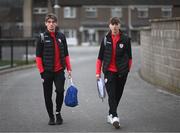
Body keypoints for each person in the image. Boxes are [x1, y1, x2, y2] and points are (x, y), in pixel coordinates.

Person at [96, 17, 132, 129]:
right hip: (109, 72)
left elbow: (129, 58)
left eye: (117, 24)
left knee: (118, 95)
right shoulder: (106, 39)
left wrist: (127, 71)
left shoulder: (126, 39)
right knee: (111, 95)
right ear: (109, 26)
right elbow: (100, 57)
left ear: (119, 25)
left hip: (122, 73)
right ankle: (115, 117)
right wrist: (98, 72)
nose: (115, 26)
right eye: (113, 24)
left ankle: (110, 114)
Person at [36, 13, 72, 125]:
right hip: (46, 72)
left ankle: (58, 112)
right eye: (49, 22)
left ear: (56, 23)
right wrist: (42, 73)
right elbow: (38, 57)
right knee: (47, 95)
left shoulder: (61, 36)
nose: (51, 24)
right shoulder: (42, 38)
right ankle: (51, 117)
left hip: (59, 71)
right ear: (46, 24)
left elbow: (66, 54)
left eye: (53, 22)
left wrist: (69, 69)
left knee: (60, 91)